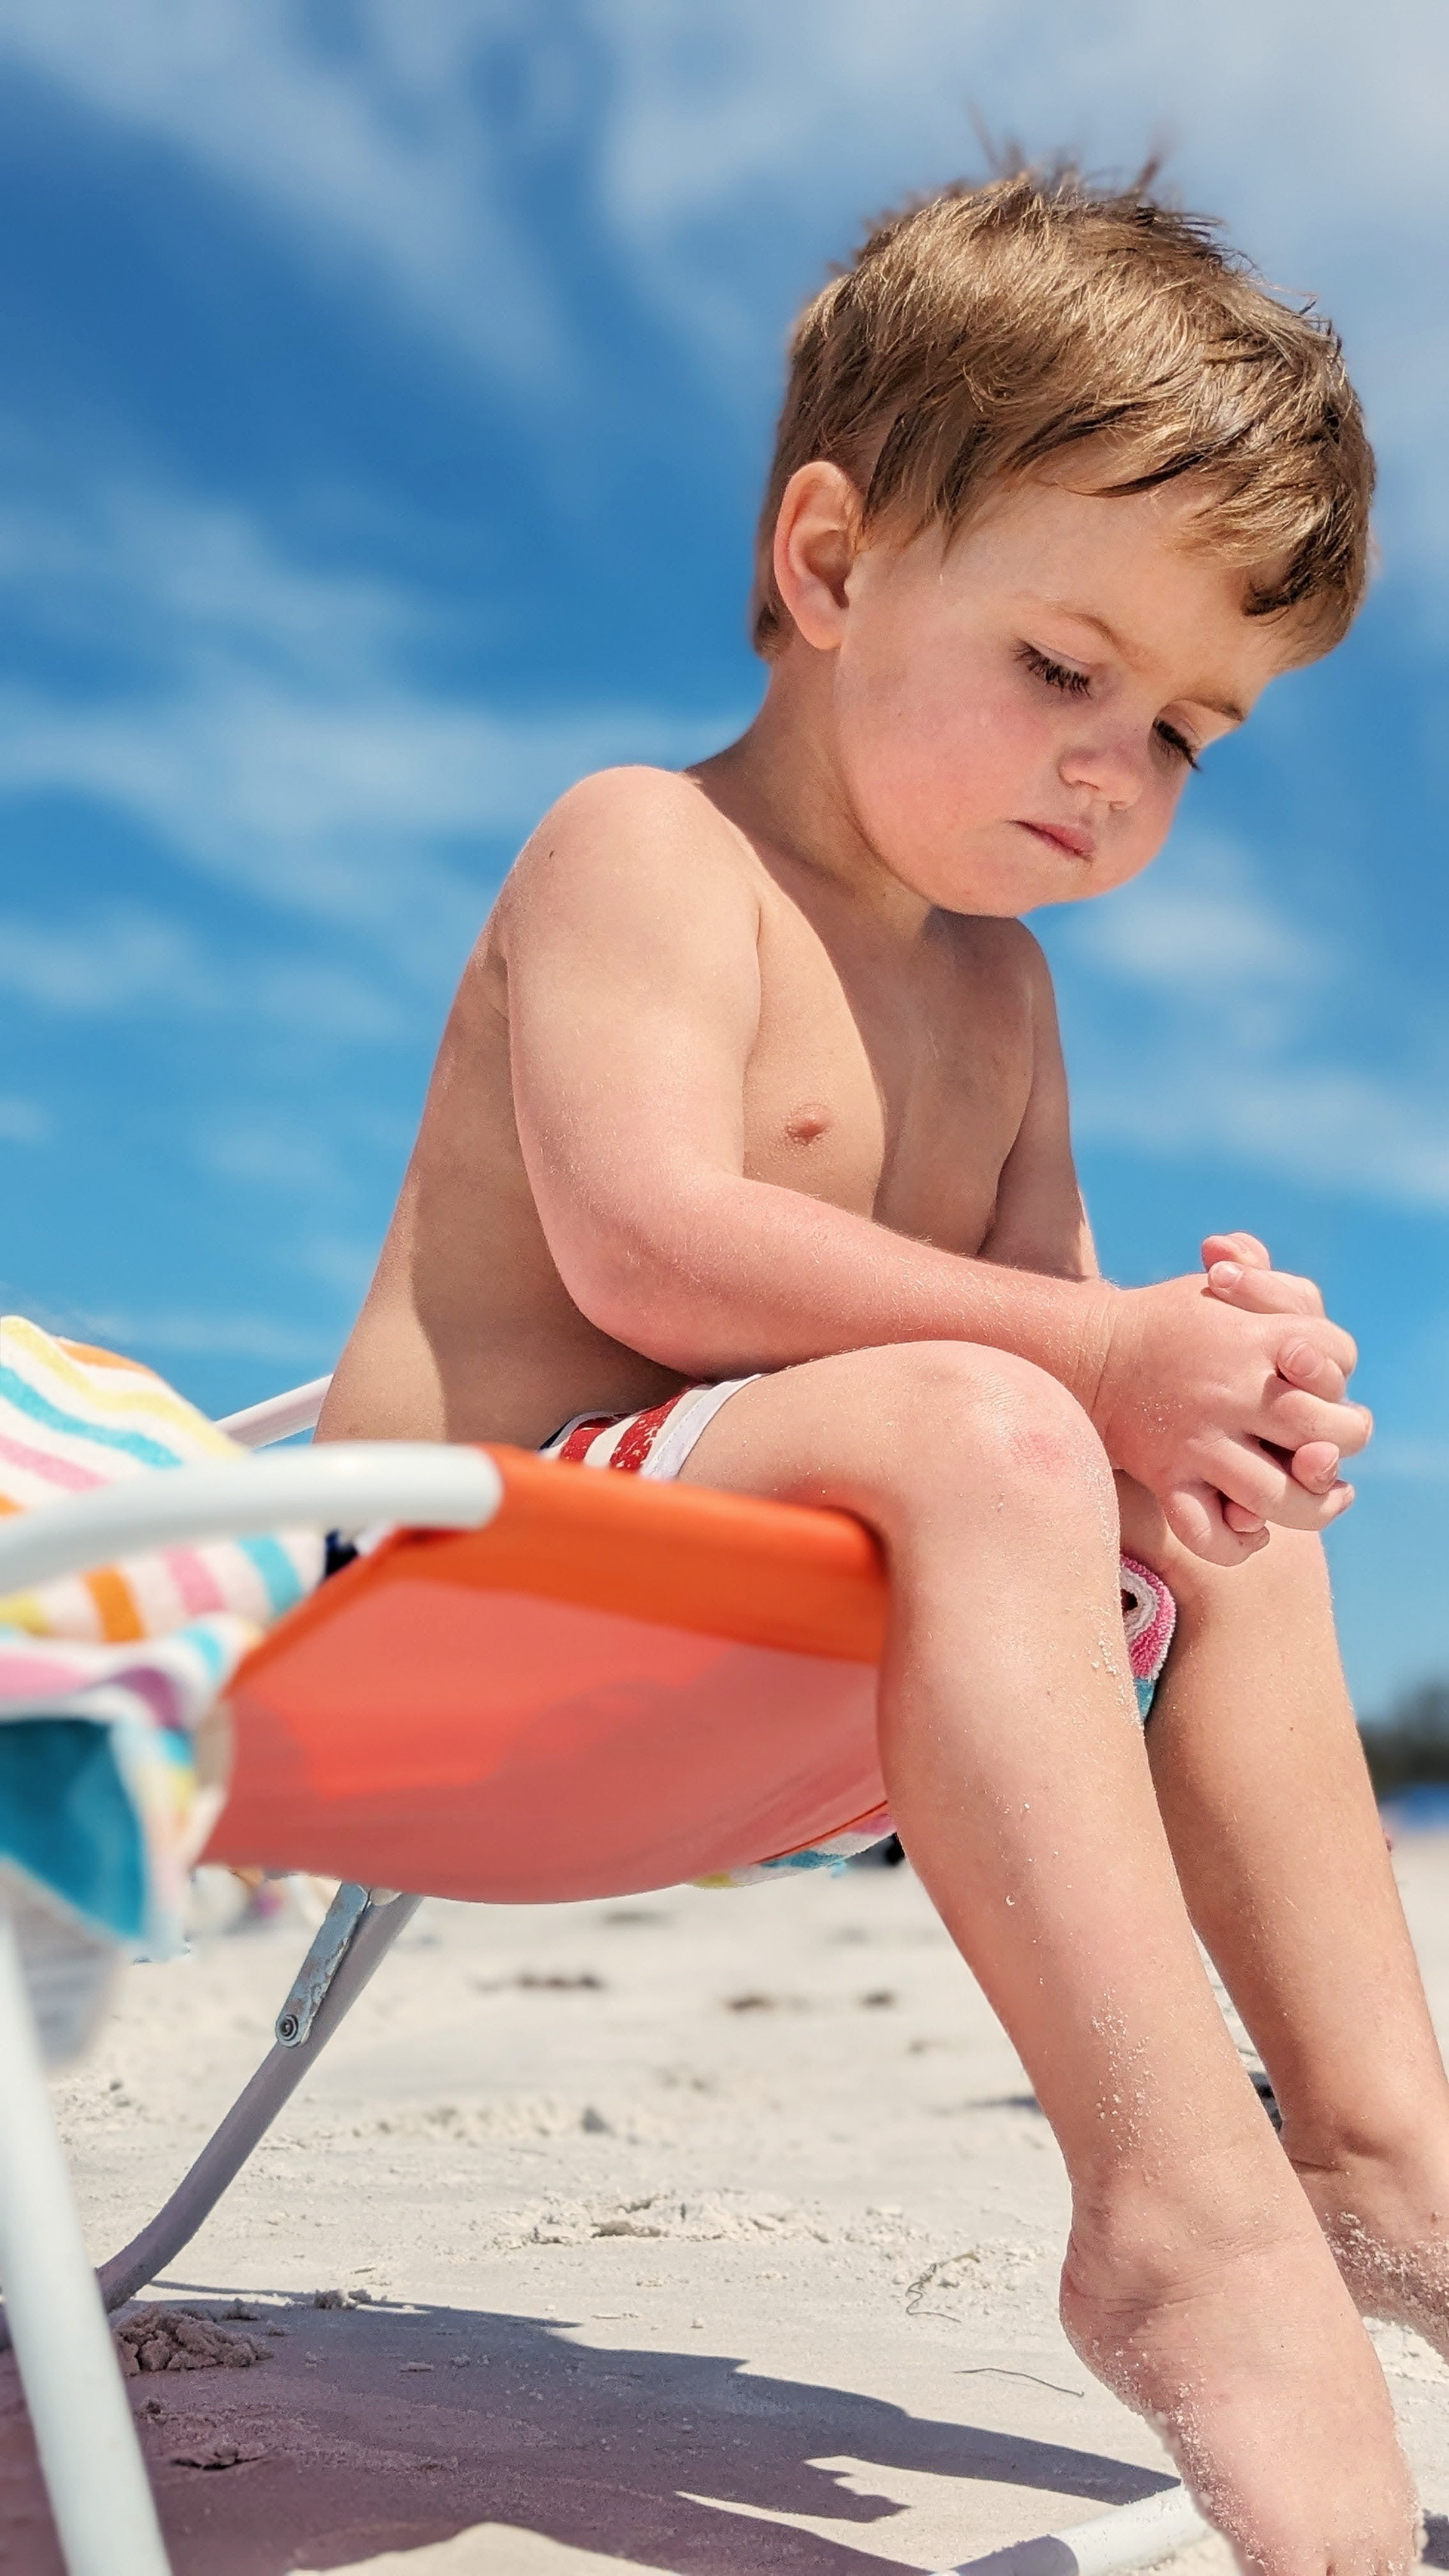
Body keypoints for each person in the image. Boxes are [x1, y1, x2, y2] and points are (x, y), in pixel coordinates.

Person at [319, 171, 1442, 2568]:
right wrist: (1093, 1357)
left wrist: (1208, 1390)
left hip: (760, 1681)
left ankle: (1376, 2155)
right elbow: (655, 1239)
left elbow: (1064, 1392)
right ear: (830, 567)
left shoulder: (1003, 997)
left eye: (1189, 733)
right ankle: (1177, 2216)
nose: (1116, 767)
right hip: (441, 1626)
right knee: (1001, 1406)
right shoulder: (646, 848)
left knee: (1217, 1519)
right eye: (1065, 669)